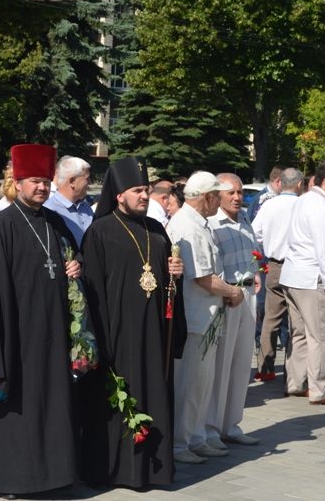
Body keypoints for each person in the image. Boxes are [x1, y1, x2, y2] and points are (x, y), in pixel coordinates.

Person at [0, 144, 82, 497]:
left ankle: (52, 475)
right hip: (15, 332)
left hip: (52, 330)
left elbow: (72, 258)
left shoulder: (55, 222)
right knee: (18, 408)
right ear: (17, 183)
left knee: (50, 403)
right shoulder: (3, 225)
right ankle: (13, 478)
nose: (42, 188)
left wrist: (76, 266)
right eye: (35, 181)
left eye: (46, 181)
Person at [79, 157, 186, 488]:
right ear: (119, 195)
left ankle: (154, 470)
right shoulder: (100, 232)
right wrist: (98, 340)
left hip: (154, 332)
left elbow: (167, 284)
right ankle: (116, 471)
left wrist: (176, 275)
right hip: (117, 334)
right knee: (118, 399)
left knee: (154, 393)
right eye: (137, 190)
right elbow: (92, 291)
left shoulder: (156, 230)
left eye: (146, 190)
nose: (144, 196)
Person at [167, 171, 242, 464]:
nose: (220, 201)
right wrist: (233, 291)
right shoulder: (188, 225)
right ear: (207, 197)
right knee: (190, 384)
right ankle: (180, 443)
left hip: (206, 316)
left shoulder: (199, 223)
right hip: (196, 318)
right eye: (217, 196)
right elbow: (202, 277)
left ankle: (196, 437)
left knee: (202, 384)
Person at [279, 159, 325, 406]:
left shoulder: (304, 200)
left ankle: (296, 383)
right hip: (311, 278)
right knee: (319, 336)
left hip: (293, 275)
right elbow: (324, 248)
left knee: (300, 333)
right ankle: (320, 389)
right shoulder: (320, 207)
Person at [205, 173, 261, 449]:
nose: (238, 197)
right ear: (219, 194)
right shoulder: (212, 223)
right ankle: (211, 428)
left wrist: (256, 273)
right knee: (221, 364)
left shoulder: (245, 219)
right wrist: (227, 291)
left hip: (248, 294)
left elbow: (253, 252)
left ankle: (231, 424)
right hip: (227, 296)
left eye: (240, 192)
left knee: (241, 363)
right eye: (231, 193)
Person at [252, 167, 303, 382]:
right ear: (299, 184)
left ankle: (265, 368)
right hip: (298, 267)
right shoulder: (303, 205)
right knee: (297, 321)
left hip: (274, 265)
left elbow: (255, 234)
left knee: (271, 319)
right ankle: (293, 374)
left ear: (281, 182)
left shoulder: (269, 205)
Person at [44, 156, 93, 247]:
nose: (89, 183)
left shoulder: (86, 207)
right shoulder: (49, 211)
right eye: (87, 178)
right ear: (72, 181)